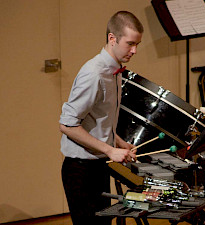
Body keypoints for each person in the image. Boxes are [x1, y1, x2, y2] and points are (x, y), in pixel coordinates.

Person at [59, 11, 144, 225]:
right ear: (112, 39)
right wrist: (109, 150)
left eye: (137, 45)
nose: (134, 51)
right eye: (130, 44)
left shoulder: (113, 71)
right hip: (81, 170)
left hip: (97, 166)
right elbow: (67, 124)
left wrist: (118, 143)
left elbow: (97, 120)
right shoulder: (94, 74)